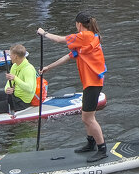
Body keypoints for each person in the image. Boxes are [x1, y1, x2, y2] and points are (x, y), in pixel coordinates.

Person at [38, 12, 107, 162]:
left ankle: (102, 149)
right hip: (91, 82)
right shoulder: (89, 38)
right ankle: (91, 144)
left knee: (88, 118)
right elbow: (69, 56)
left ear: (79, 24)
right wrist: (49, 67)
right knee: (86, 117)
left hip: (93, 83)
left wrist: (44, 33)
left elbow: (58, 39)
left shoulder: (84, 36)